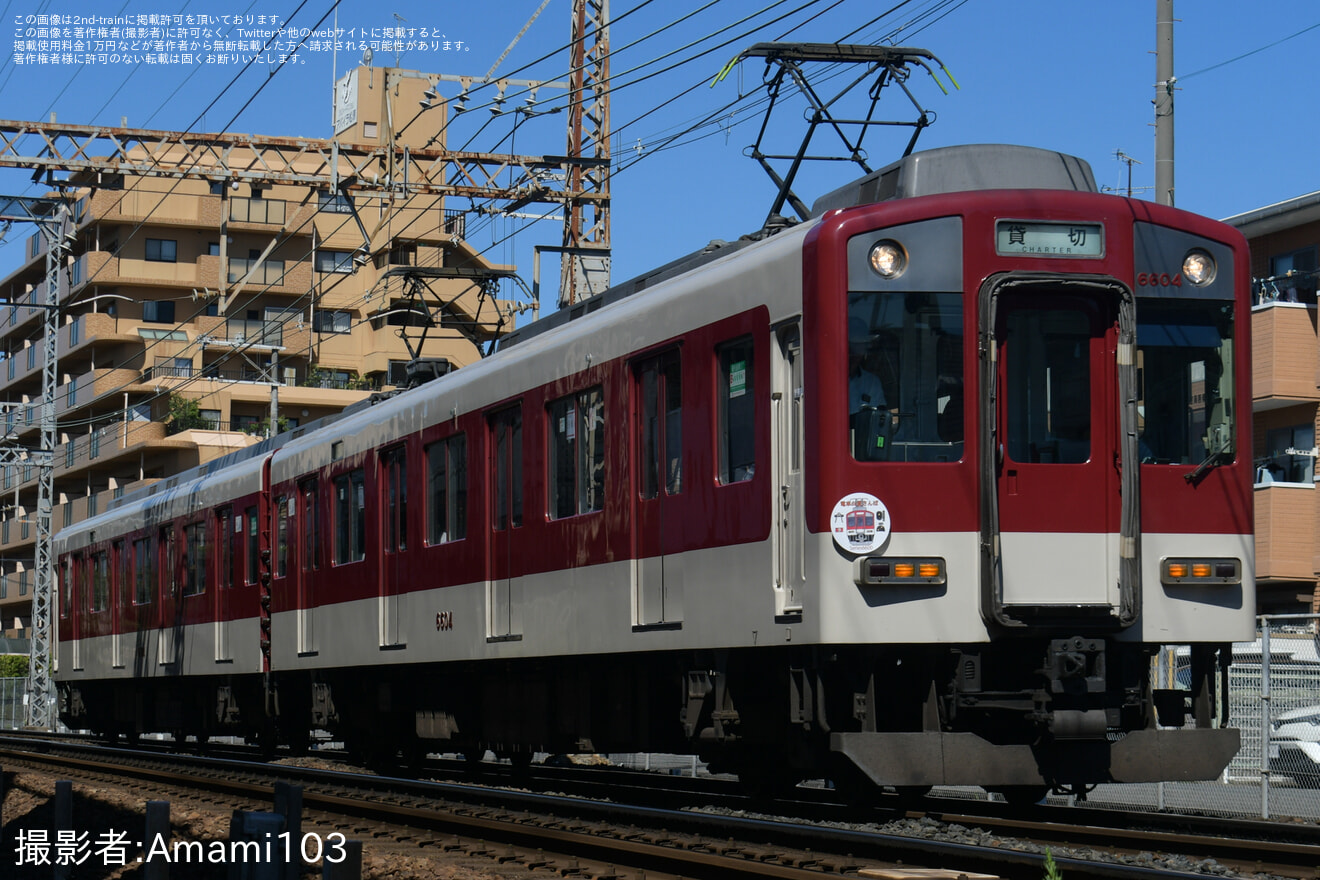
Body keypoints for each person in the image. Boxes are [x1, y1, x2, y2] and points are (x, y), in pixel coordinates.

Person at [848, 318, 885, 415]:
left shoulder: (872, 383)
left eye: (861, 345)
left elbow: (881, 417)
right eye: (854, 345)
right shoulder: (827, 382)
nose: (856, 353)